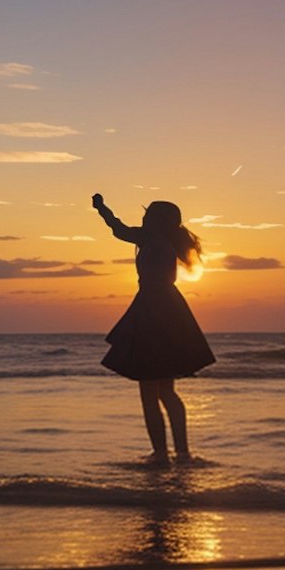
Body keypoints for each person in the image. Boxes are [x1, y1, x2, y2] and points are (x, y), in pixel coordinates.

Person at [93, 192, 215, 462]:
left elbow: (119, 230)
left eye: (148, 215)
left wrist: (102, 208)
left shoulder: (151, 239)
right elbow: (122, 231)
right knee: (166, 391)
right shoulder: (166, 242)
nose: (144, 218)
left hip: (153, 310)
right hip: (168, 310)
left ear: (157, 221)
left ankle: (161, 454)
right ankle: (182, 453)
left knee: (150, 392)